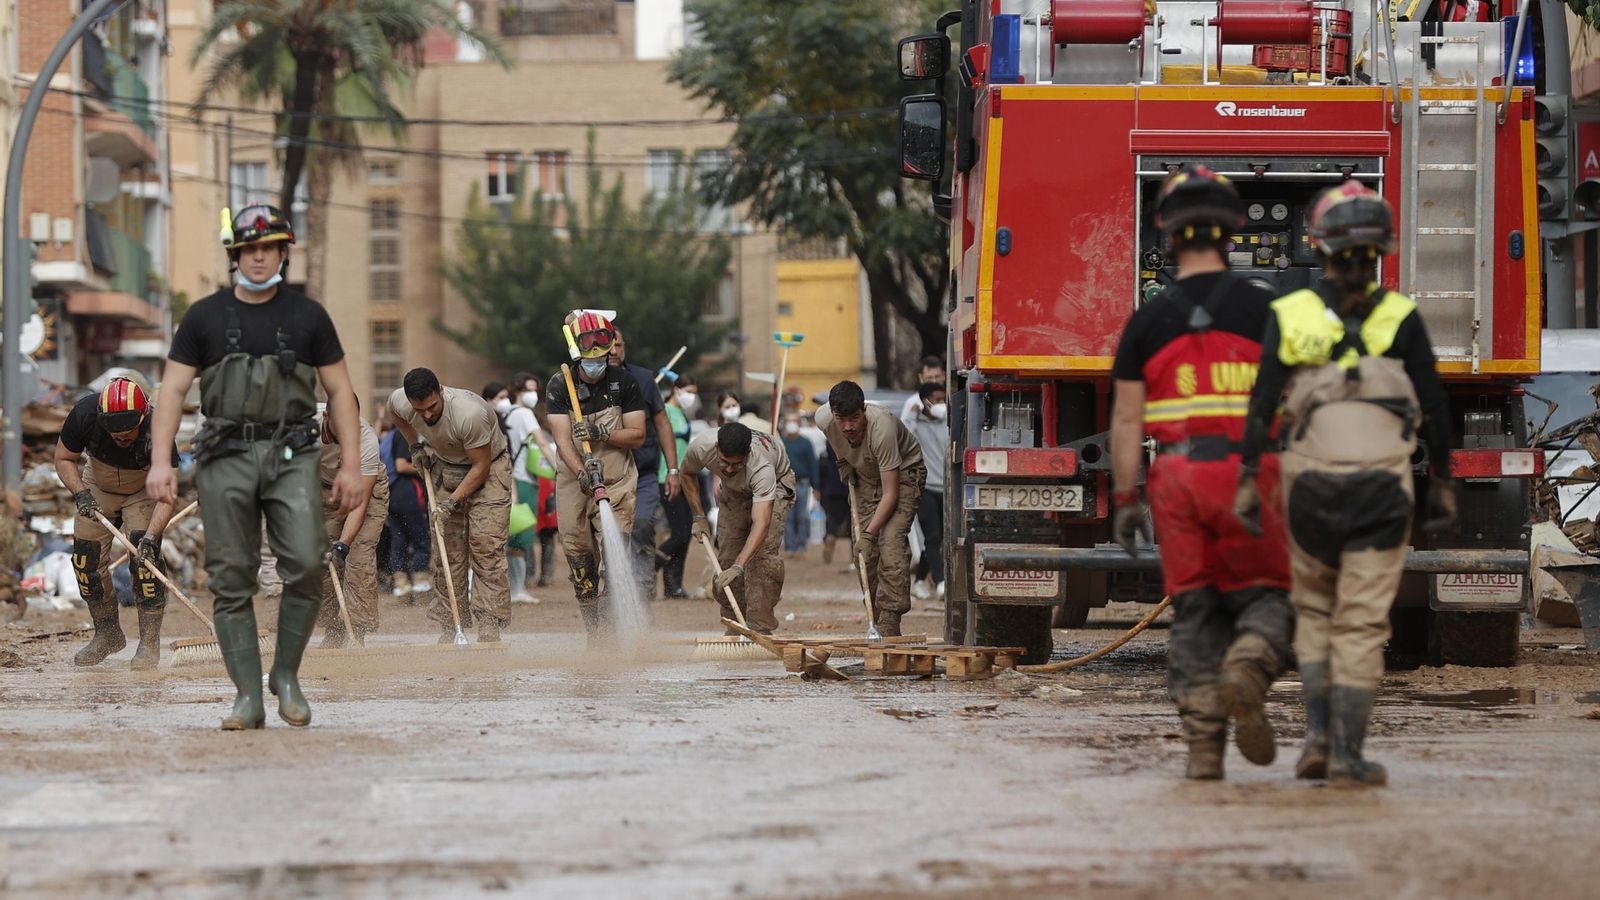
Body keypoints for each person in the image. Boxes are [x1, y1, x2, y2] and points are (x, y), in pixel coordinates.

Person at [1236, 181, 1456, 788]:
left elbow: (1261, 409)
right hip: (1382, 493)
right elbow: (1434, 407)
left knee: (1314, 612)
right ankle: (1348, 754)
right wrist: (1443, 482)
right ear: (1381, 249)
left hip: (1311, 491)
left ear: (1319, 247)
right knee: (1360, 625)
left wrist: (1251, 479)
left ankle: (1314, 738)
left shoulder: (1289, 314)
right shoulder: (1401, 317)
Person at [1108, 165, 1295, 781]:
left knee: (1194, 611)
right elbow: (1292, 406)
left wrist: (1127, 498)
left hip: (1178, 478)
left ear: (1166, 231)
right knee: (1268, 596)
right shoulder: (1267, 308)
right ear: (1234, 230)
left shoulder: (1146, 321)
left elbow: (1128, 423)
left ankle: (1204, 751)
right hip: (1251, 473)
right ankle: (1248, 665)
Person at [148, 204, 365, 729]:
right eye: (249, 248)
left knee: (308, 565)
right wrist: (162, 461)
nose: (259, 256)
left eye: (268, 247)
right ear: (235, 255)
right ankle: (247, 695)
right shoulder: (203, 316)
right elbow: (173, 389)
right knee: (231, 577)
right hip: (224, 456)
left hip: (293, 455)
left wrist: (352, 466)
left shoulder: (308, 316)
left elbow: (339, 391)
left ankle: (285, 676)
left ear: (284, 252)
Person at [54, 376, 177, 669]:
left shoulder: (160, 428)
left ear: (143, 416)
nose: (121, 437)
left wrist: (151, 537)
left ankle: (148, 642)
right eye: (114, 432)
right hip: (97, 485)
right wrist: (81, 494)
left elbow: (169, 495)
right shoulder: (84, 413)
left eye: (127, 431)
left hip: (144, 488)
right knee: (85, 561)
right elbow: (63, 458)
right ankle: (107, 632)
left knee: (145, 563)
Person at [389, 367, 514, 643]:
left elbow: (480, 467)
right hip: (447, 467)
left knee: (485, 547)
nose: (428, 415)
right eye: (420, 410)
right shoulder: (401, 402)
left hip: (489, 469)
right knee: (448, 552)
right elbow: (396, 415)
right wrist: (415, 446)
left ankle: (489, 624)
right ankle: (450, 624)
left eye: (432, 407)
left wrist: (451, 503)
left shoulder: (469, 414)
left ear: (441, 392)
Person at [545, 311, 647, 641]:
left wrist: (603, 433)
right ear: (577, 352)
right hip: (575, 482)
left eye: (603, 356)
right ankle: (594, 631)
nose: (597, 363)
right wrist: (582, 471)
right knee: (580, 562)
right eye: (590, 357)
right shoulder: (560, 384)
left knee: (614, 564)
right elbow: (562, 439)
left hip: (617, 482)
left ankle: (611, 631)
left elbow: (637, 435)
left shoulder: (624, 383)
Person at [814, 381, 926, 637]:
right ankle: (873, 618)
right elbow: (835, 438)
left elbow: (891, 494)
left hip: (903, 475)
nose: (848, 427)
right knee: (864, 555)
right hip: (865, 476)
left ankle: (889, 621)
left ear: (863, 410)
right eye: (841, 419)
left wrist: (868, 533)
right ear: (832, 413)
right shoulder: (823, 419)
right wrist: (843, 461)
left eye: (854, 418)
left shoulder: (882, 428)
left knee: (889, 543)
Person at [680, 423, 796, 633]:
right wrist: (698, 516)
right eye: (724, 462)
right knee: (726, 558)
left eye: (736, 464)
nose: (729, 469)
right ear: (716, 448)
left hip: (776, 485)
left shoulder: (761, 468)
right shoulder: (701, 447)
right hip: (732, 490)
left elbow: (761, 523)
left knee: (761, 558)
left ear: (747, 454)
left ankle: (760, 628)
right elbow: (687, 473)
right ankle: (735, 625)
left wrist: (739, 566)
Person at [607, 327, 681, 597]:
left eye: (619, 345)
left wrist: (673, 470)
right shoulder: (587, 382)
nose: (614, 351)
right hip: (608, 475)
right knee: (610, 536)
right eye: (609, 346)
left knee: (641, 524)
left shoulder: (643, 378)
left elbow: (662, 424)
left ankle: (642, 597)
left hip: (644, 473)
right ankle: (611, 599)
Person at [317, 402, 388, 647]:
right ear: (327, 416)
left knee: (357, 559)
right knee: (323, 562)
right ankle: (334, 630)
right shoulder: (304, 428)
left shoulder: (366, 439)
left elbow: (360, 503)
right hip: (323, 490)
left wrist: (343, 545)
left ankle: (358, 633)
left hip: (364, 490)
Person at [902, 381, 949, 598]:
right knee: (932, 536)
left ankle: (920, 580)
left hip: (947, 488)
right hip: (925, 488)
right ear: (925, 402)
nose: (941, 404)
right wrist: (912, 416)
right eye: (936, 400)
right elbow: (901, 439)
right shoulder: (915, 425)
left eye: (943, 399)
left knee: (938, 540)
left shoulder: (948, 422)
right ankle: (940, 583)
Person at [505, 374, 548, 603]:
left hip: (512, 477)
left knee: (512, 536)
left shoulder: (508, 414)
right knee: (521, 537)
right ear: (518, 391)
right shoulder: (525, 414)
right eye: (530, 389)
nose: (534, 394)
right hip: (524, 479)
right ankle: (517, 589)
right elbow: (541, 442)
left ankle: (515, 587)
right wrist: (559, 467)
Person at [381, 422, 431, 599]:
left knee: (398, 539)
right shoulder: (404, 435)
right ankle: (420, 580)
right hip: (407, 493)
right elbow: (401, 465)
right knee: (420, 536)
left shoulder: (388, 437)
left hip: (393, 493)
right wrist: (426, 469)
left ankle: (400, 583)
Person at [657, 374, 695, 598]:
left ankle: (674, 585)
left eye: (694, 392)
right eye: (688, 390)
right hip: (666, 478)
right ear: (675, 389)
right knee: (679, 533)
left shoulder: (681, 414)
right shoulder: (664, 411)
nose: (692, 396)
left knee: (686, 533)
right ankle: (650, 565)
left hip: (684, 479)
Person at [780, 413, 818, 555]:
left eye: (794, 421)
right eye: (789, 422)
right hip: (785, 485)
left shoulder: (806, 443)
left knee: (802, 516)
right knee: (787, 517)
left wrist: (816, 487)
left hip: (802, 483)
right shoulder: (781, 443)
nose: (791, 424)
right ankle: (789, 546)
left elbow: (813, 465)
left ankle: (801, 545)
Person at [816, 443, 852, 564]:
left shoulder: (830, 441)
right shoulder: (851, 440)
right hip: (851, 485)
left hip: (833, 487)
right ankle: (855, 558)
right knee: (854, 523)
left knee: (833, 518)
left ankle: (831, 535)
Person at [900, 356, 946, 420]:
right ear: (921, 378)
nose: (934, 381)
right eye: (929, 378)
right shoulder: (912, 403)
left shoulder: (951, 400)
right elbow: (905, 428)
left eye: (937, 377)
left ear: (944, 375)